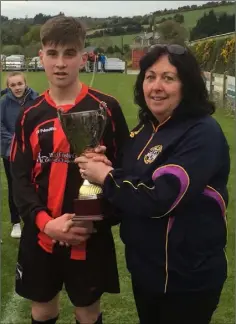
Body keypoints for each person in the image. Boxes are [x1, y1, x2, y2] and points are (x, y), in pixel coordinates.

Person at [75, 44, 230, 324]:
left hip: (187, 279)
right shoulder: (143, 131)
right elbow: (127, 189)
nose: (156, 86)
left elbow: (164, 197)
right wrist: (104, 171)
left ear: (187, 85)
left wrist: (106, 176)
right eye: (150, 77)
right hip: (146, 271)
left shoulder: (202, 132)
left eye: (168, 78)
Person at [10, 16, 129, 324]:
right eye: (52, 54)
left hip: (90, 235)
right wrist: (44, 223)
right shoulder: (29, 115)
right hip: (41, 234)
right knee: (43, 309)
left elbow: (126, 175)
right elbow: (20, 179)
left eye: (69, 53)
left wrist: (94, 220)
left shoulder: (106, 108)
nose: (60, 63)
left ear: (82, 56)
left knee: (87, 312)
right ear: (41, 57)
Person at [1, 72, 38, 238]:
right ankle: (16, 222)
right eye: (13, 85)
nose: (17, 88)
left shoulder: (35, 100)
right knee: (15, 187)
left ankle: (34, 218)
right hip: (10, 152)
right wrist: (15, 141)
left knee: (35, 185)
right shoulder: (3, 103)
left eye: (19, 84)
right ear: (8, 87)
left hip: (33, 151)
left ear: (25, 83)